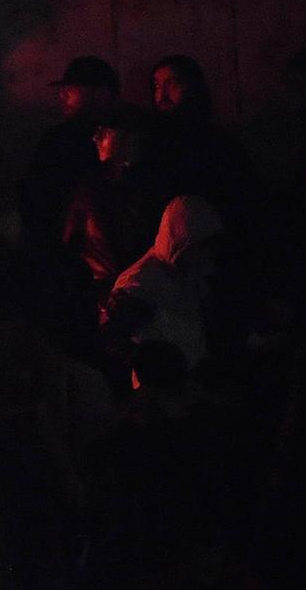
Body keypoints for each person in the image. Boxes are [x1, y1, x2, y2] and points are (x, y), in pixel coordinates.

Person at [103, 195, 224, 370]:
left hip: (187, 385)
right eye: (204, 247)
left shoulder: (190, 278)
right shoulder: (137, 285)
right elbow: (120, 346)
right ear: (183, 241)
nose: (210, 255)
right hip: (162, 390)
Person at [62, 108, 168, 305]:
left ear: (130, 137)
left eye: (104, 132)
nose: (95, 138)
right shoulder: (89, 190)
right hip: (103, 296)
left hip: (139, 295)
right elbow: (69, 247)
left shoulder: (155, 189)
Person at [21, 55, 121, 248]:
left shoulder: (127, 134)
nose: (62, 96)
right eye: (63, 90)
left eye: (71, 89)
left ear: (102, 93)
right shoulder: (57, 139)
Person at [146, 54, 254, 224]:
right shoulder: (148, 142)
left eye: (172, 84)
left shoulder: (217, 145)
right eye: (157, 85)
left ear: (192, 87)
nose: (162, 94)